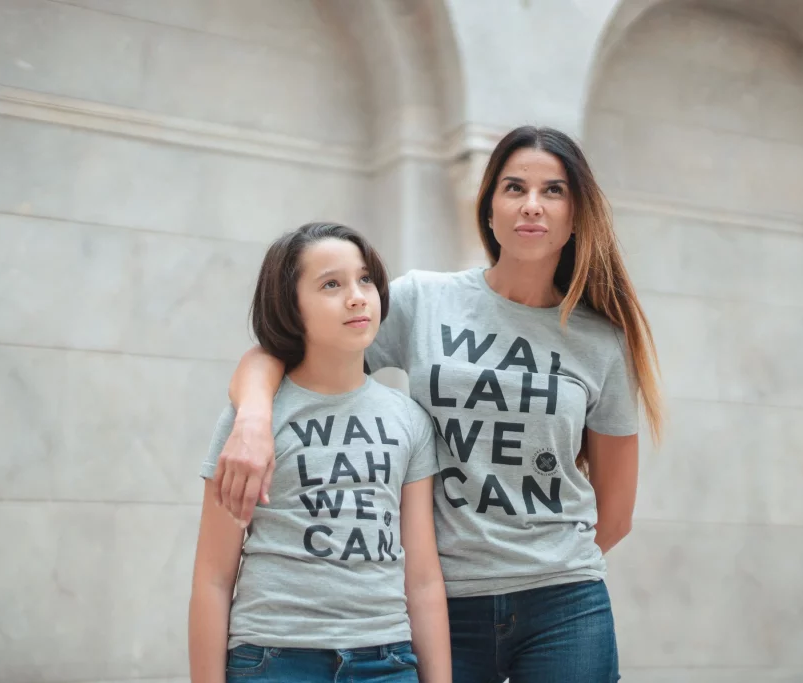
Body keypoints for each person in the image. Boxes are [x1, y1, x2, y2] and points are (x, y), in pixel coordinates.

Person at [213, 127, 664, 683]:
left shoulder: (601, 341)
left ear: (576, 216)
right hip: (445, 601)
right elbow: (281, 352)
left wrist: (537, 559)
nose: (531, 205)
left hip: (564, 606)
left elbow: (615, 514)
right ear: (489, 209)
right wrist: (254, 418)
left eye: (554, 191)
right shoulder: (421, 299)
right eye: (514, 187)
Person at [188, 222, 452, 683]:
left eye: (365, 279)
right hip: (274, 656)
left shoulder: (409, 420)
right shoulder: (252, 421)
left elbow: (424, 577)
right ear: (291, 306)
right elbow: (212, 578)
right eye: (332, 283)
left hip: (387, 659)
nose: (356, 296)